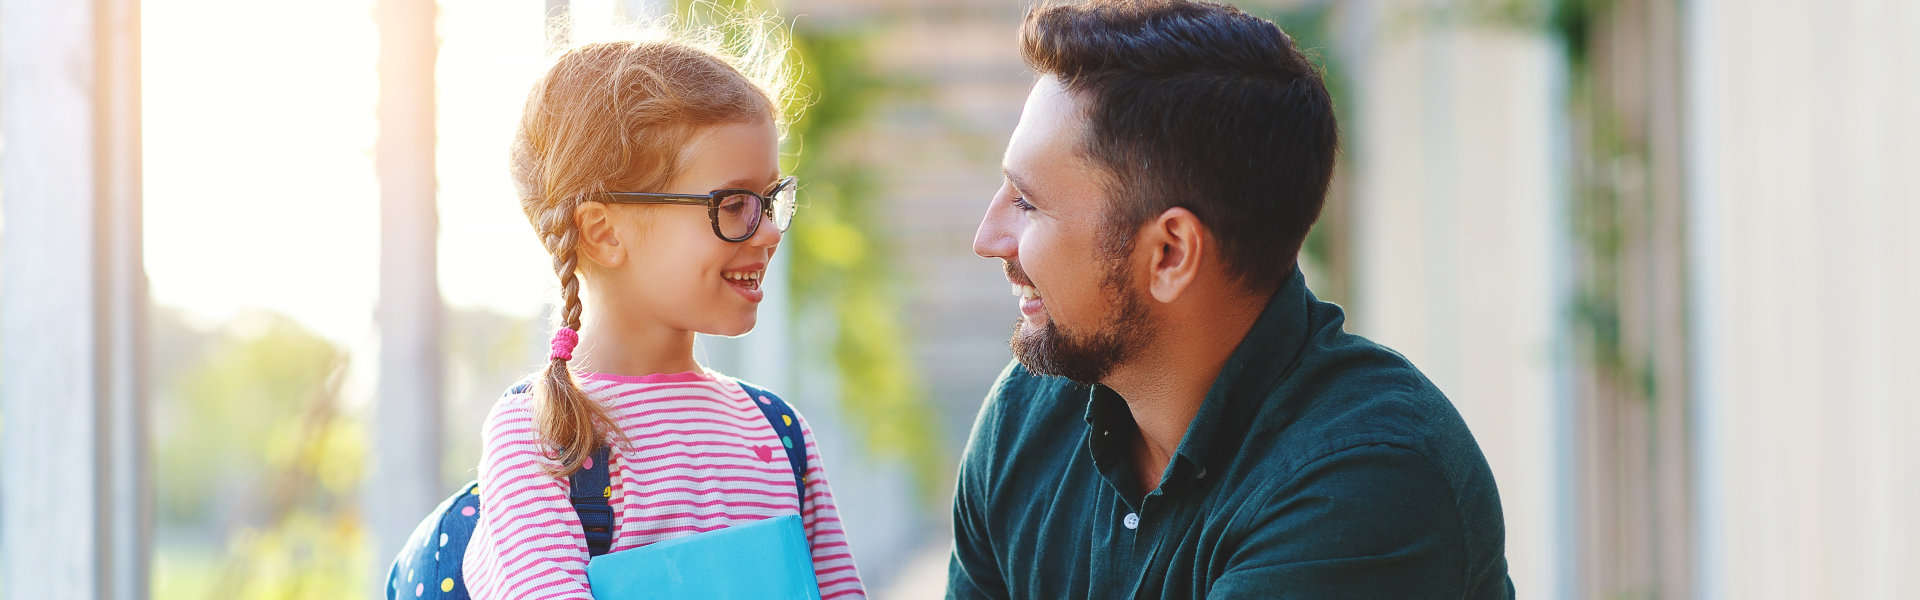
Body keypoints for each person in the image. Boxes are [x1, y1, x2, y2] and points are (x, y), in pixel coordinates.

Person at [948, 1, 1514, 598]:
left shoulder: (1369, 480)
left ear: (1170, 254)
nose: (987, 239)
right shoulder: (1027, 416)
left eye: (1028, 203)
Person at [460, 29, 865, 599]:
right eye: (734, 205)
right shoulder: (544, 439)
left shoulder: (778, 430)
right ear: (602, 233)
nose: (770, 231)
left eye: (771, 200)